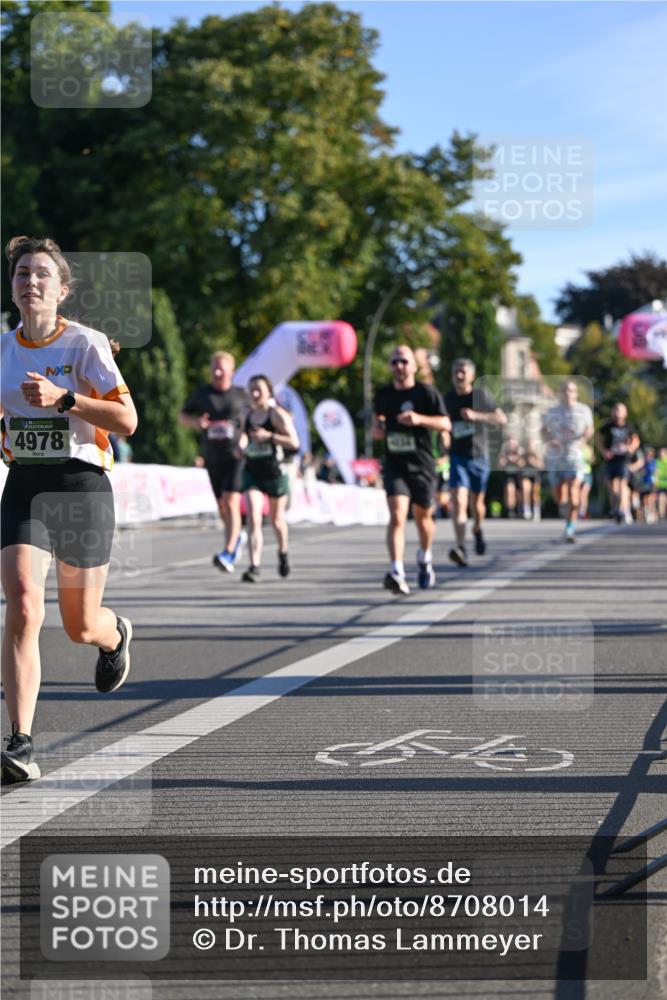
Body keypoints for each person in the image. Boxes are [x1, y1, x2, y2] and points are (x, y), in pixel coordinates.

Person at [1, 235, 138, 783]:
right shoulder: (2, 350)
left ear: (61, 289)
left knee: (79, 626)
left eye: (41, 274)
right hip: (27, 485)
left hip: (81, 485)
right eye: (20, 274)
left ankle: (114, 636)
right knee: (24, 605)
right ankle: (20, 742)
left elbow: (127, 421)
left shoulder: (84, 345)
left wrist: (65, 400)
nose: (29, 282)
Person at [374, 345, 450, 595]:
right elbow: (377, 427)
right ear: (389, 366)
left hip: (422, 465)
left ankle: (424, 556)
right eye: (395, 361)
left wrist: (419, 419)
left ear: (414, 366)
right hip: (395, 464)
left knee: (423, 518)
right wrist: (378, 429)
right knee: (397, 515)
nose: (399, 366)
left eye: (404, 361)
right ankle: (397, 571)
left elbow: (445, 423)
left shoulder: (426, 393)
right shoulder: (383, 394)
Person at [179, 351, 250, 572]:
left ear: (232, 371)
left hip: (235, 456)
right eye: (214, 369)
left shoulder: (241, 395)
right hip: (212, 455)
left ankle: (229, 551)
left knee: (231, 501)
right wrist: (195, 422)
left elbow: (250, 426)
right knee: (221, 505)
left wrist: (244, 444)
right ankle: (236, 539)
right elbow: (182, 416)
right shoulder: (202, 394)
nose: (217, 372)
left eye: (222, 369)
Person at [237, 375, 299, 582]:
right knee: (253, 517)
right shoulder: (246, 414)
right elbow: (243, 436)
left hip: (274, 472)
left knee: (276, 520)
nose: (254, 394)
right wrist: (241, 445)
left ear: (269, 392)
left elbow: (294, 442)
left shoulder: (277, 415)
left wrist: (269, 437)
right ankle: (254, 566)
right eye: (251, 389)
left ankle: (283, 553)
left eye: (259, 390)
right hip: (253, 471)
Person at [445, 358, 506, 566]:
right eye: (456, 372)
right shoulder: (448, 399)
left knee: (477, 505)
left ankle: (477, 529)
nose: (459, 376)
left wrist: (476, 416)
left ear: (471, 375)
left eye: (463, 372)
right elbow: (444, 425)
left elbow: (501, 418)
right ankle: (461, 547)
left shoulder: (480, 395)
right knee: (459, 502)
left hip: (479, 456)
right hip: (457, 457)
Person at [541, 379, 594, 542]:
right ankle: (567, 509)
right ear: (560, 393)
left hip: (575, 455)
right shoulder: (552, 411)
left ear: (576, 393)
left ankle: (570, 528)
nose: (568, 393)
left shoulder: (583, 410)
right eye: (564, 390)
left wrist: (584, 438)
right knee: (560, 498)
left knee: (573, 491)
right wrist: (551, 439)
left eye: (571, 390)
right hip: (557, 457)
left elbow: (590, 428)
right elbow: (543, 431)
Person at [596, 403, 640, 524]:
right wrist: (604, 451)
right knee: (612, 489)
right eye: (615, 409)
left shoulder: (629, 426)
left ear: (625, 413)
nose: (617, 412)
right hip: (611, 459)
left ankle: (622, 510)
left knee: (622, 485)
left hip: (623, 459)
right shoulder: (608, 426)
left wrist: (631, 447)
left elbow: (636, 439)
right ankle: (616, 507)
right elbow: (598, 437)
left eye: (620, 410)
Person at [498, 437, 527, 518]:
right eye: (510, 444)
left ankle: (520, 509)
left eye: (513, 444)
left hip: (518, 475)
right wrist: (506, 459)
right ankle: (510, 510)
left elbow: (522, 464)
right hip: (508, 475)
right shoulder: (504, 453)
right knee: (510, 490)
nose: (512, 445)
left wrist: (515, 459)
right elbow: (501, 465)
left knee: (520, 493)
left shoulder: (520, 452)